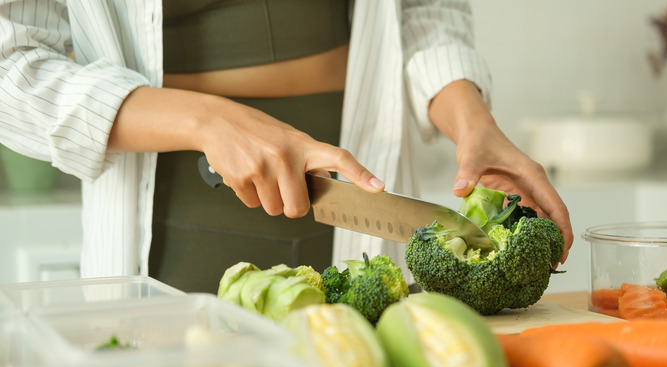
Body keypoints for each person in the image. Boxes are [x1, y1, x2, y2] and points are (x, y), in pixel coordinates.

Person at [0, 0, 572, 292]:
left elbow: (422, 11)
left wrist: (472, 121)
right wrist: (209, 122)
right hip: (173, 215)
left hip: (356, 182)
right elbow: (11, 64)